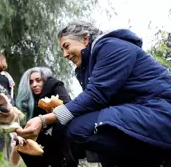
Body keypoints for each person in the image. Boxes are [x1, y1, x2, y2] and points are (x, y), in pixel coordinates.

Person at [16, 21, 171, 167]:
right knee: (67, 127)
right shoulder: (86, 67)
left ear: (85, 39)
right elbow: (92, 103)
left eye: (66, 46)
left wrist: (44, 120)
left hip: (160, 111)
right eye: (62, 50)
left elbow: (95, 97)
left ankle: (160, 158)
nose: (64, 54)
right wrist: (57, 116)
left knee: (80, 128)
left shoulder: (111, 46)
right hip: (139, 112)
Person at [13, 67, 73, 167]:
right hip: (42, 134)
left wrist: (52, 112)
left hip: (61, 129)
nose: (34, 85)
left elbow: (68, 106)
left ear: (44, 80)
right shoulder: (30, 100)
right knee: (21, 143)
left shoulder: (55, 85)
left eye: (38, 80)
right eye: (31, 82)